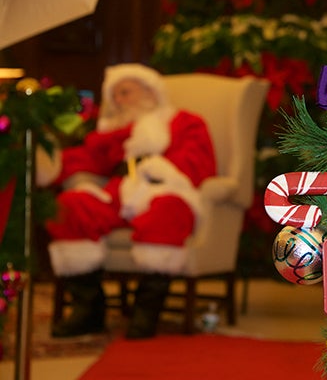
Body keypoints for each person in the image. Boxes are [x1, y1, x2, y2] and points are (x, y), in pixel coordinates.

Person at [37, 63, 216, 339]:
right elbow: (85, 159)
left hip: (167, 191)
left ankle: (146, 311)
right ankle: (89, 310)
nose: (117, 101)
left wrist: (160, 169)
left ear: (149, 92)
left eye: (124, 93)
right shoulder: (114, 132)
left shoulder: (185, 122)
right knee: (70, 206)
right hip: (121, 193)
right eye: (114, 96)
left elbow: (200, 164)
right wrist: (49, 163)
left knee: (167, 211)